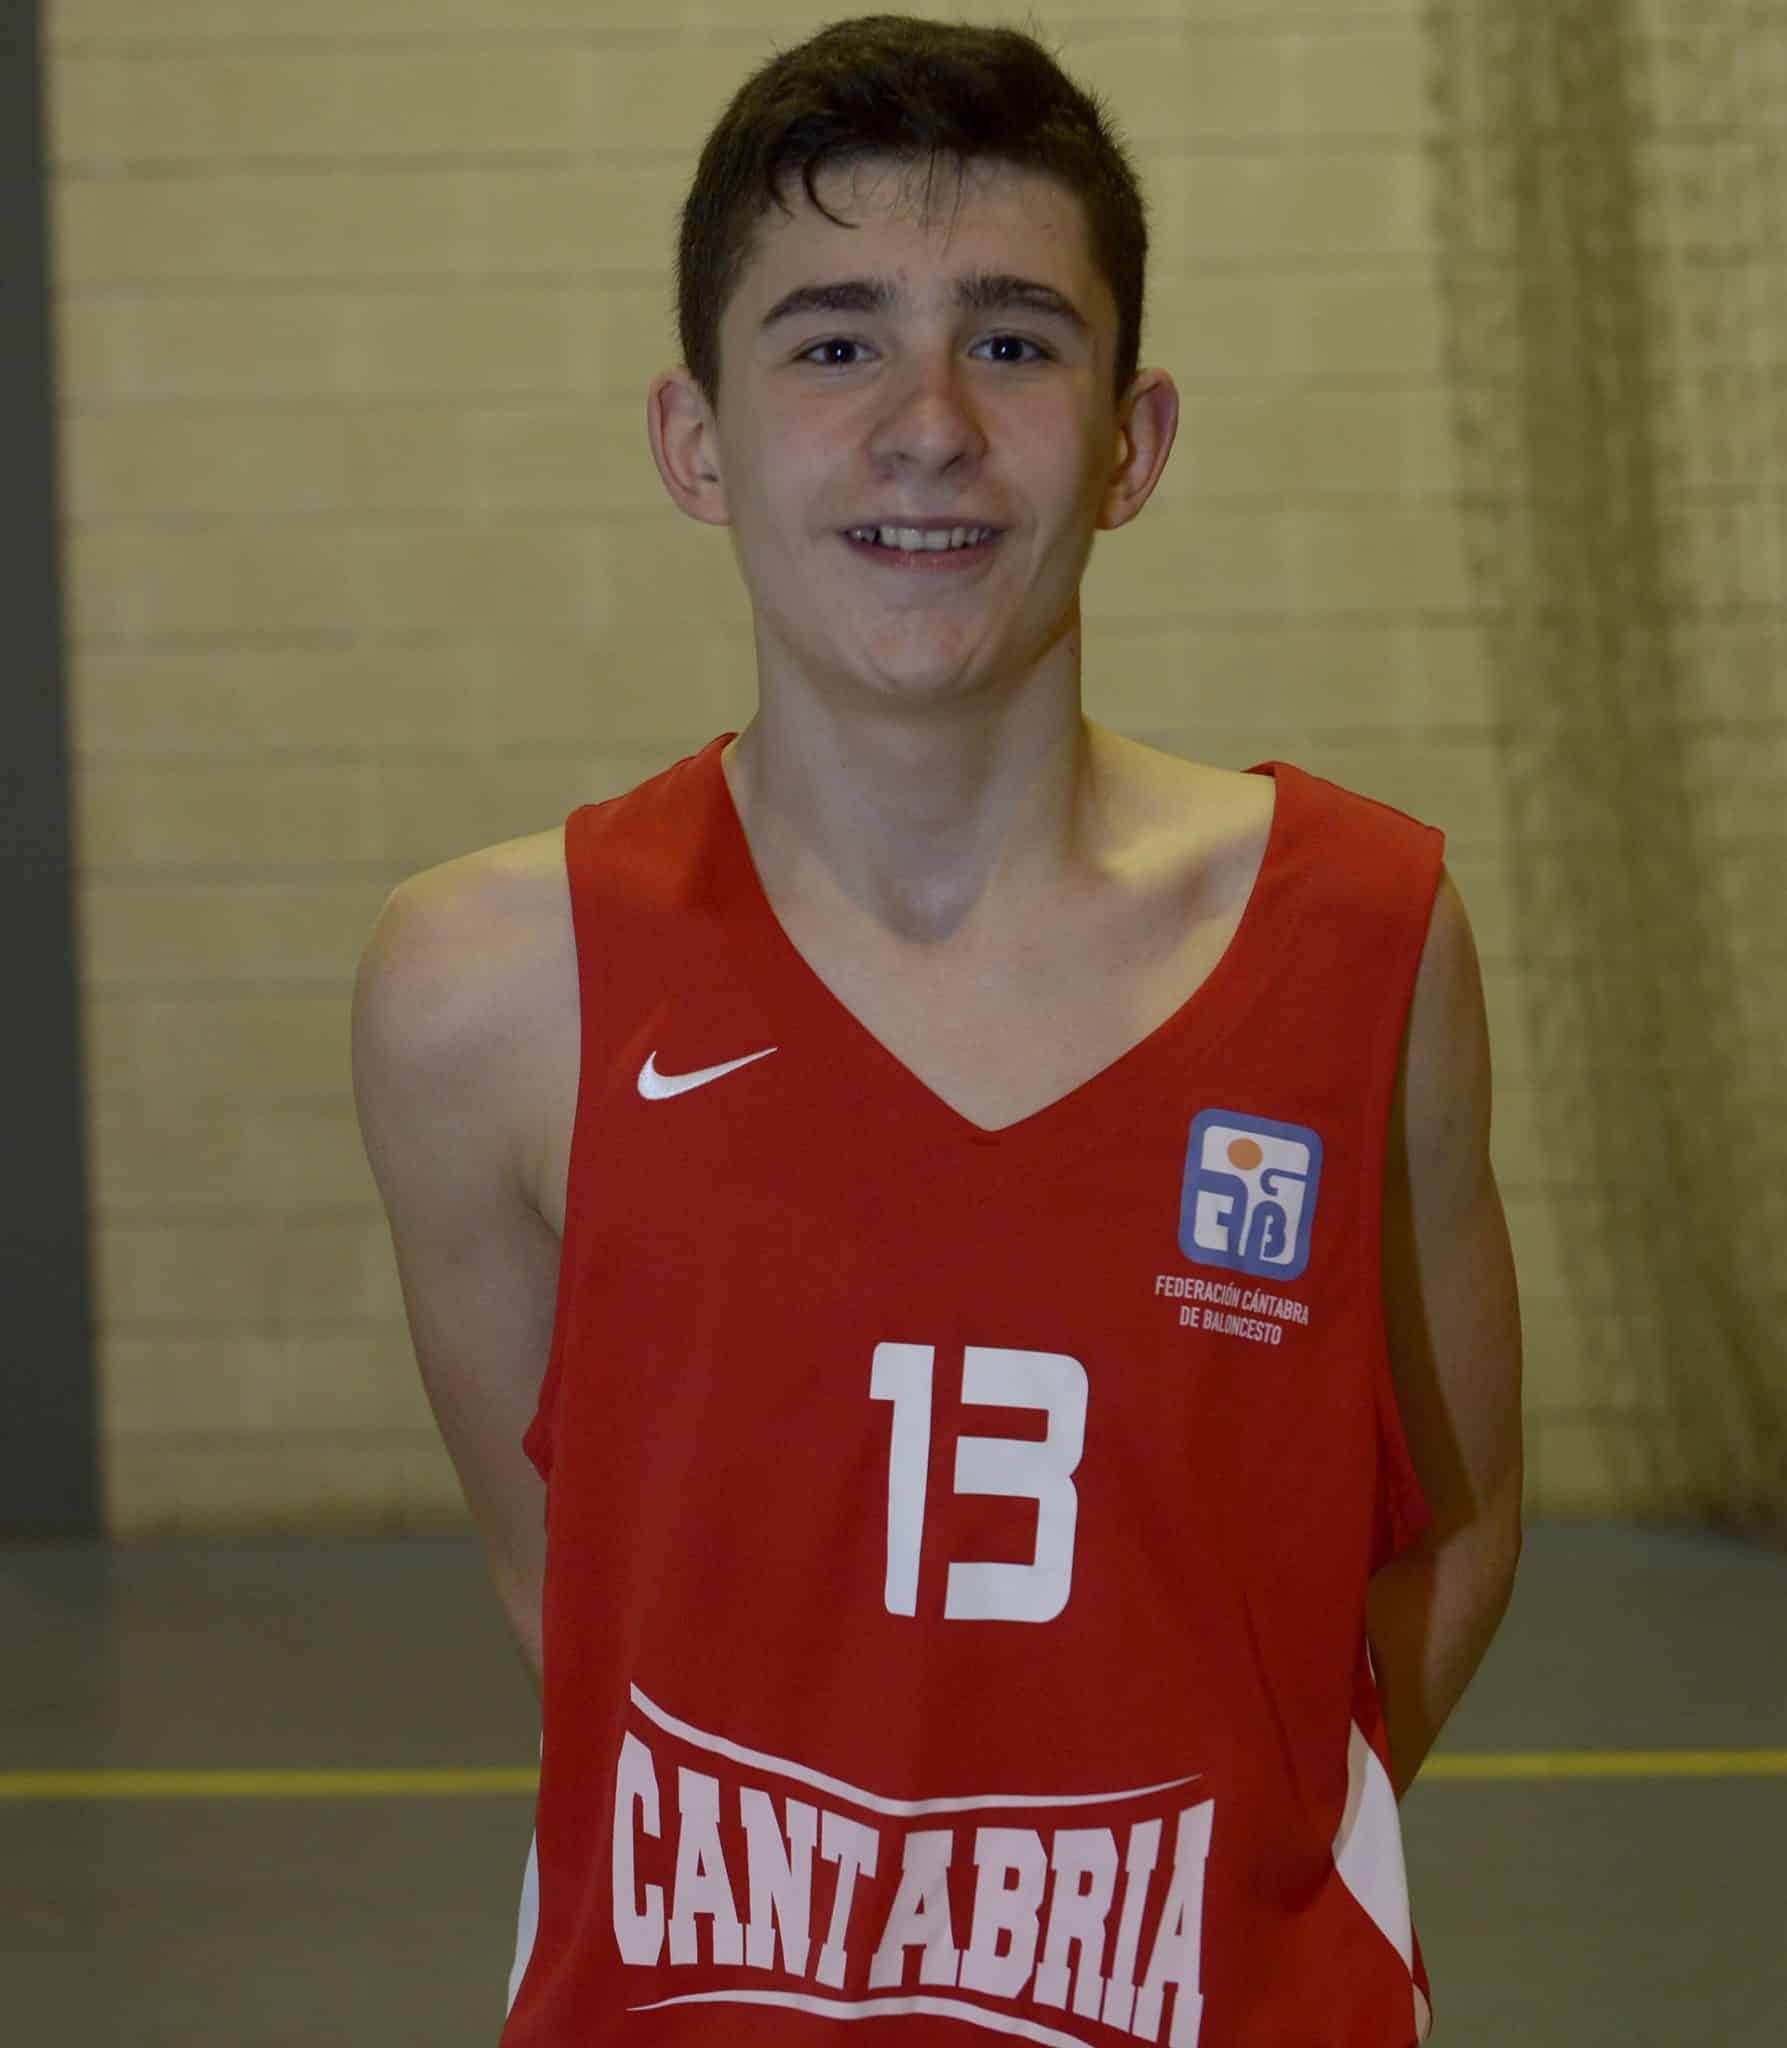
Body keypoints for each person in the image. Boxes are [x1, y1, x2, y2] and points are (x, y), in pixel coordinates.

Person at [350, 16, 1523, 2045]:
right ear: (694, 441)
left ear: (1133, 441)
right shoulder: (485, 990)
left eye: (1011, 340)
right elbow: (576, 1586)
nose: (928, 425)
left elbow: (1463, 1520)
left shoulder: (1366, 936)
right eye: (832, 343)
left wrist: (1208, 1875)